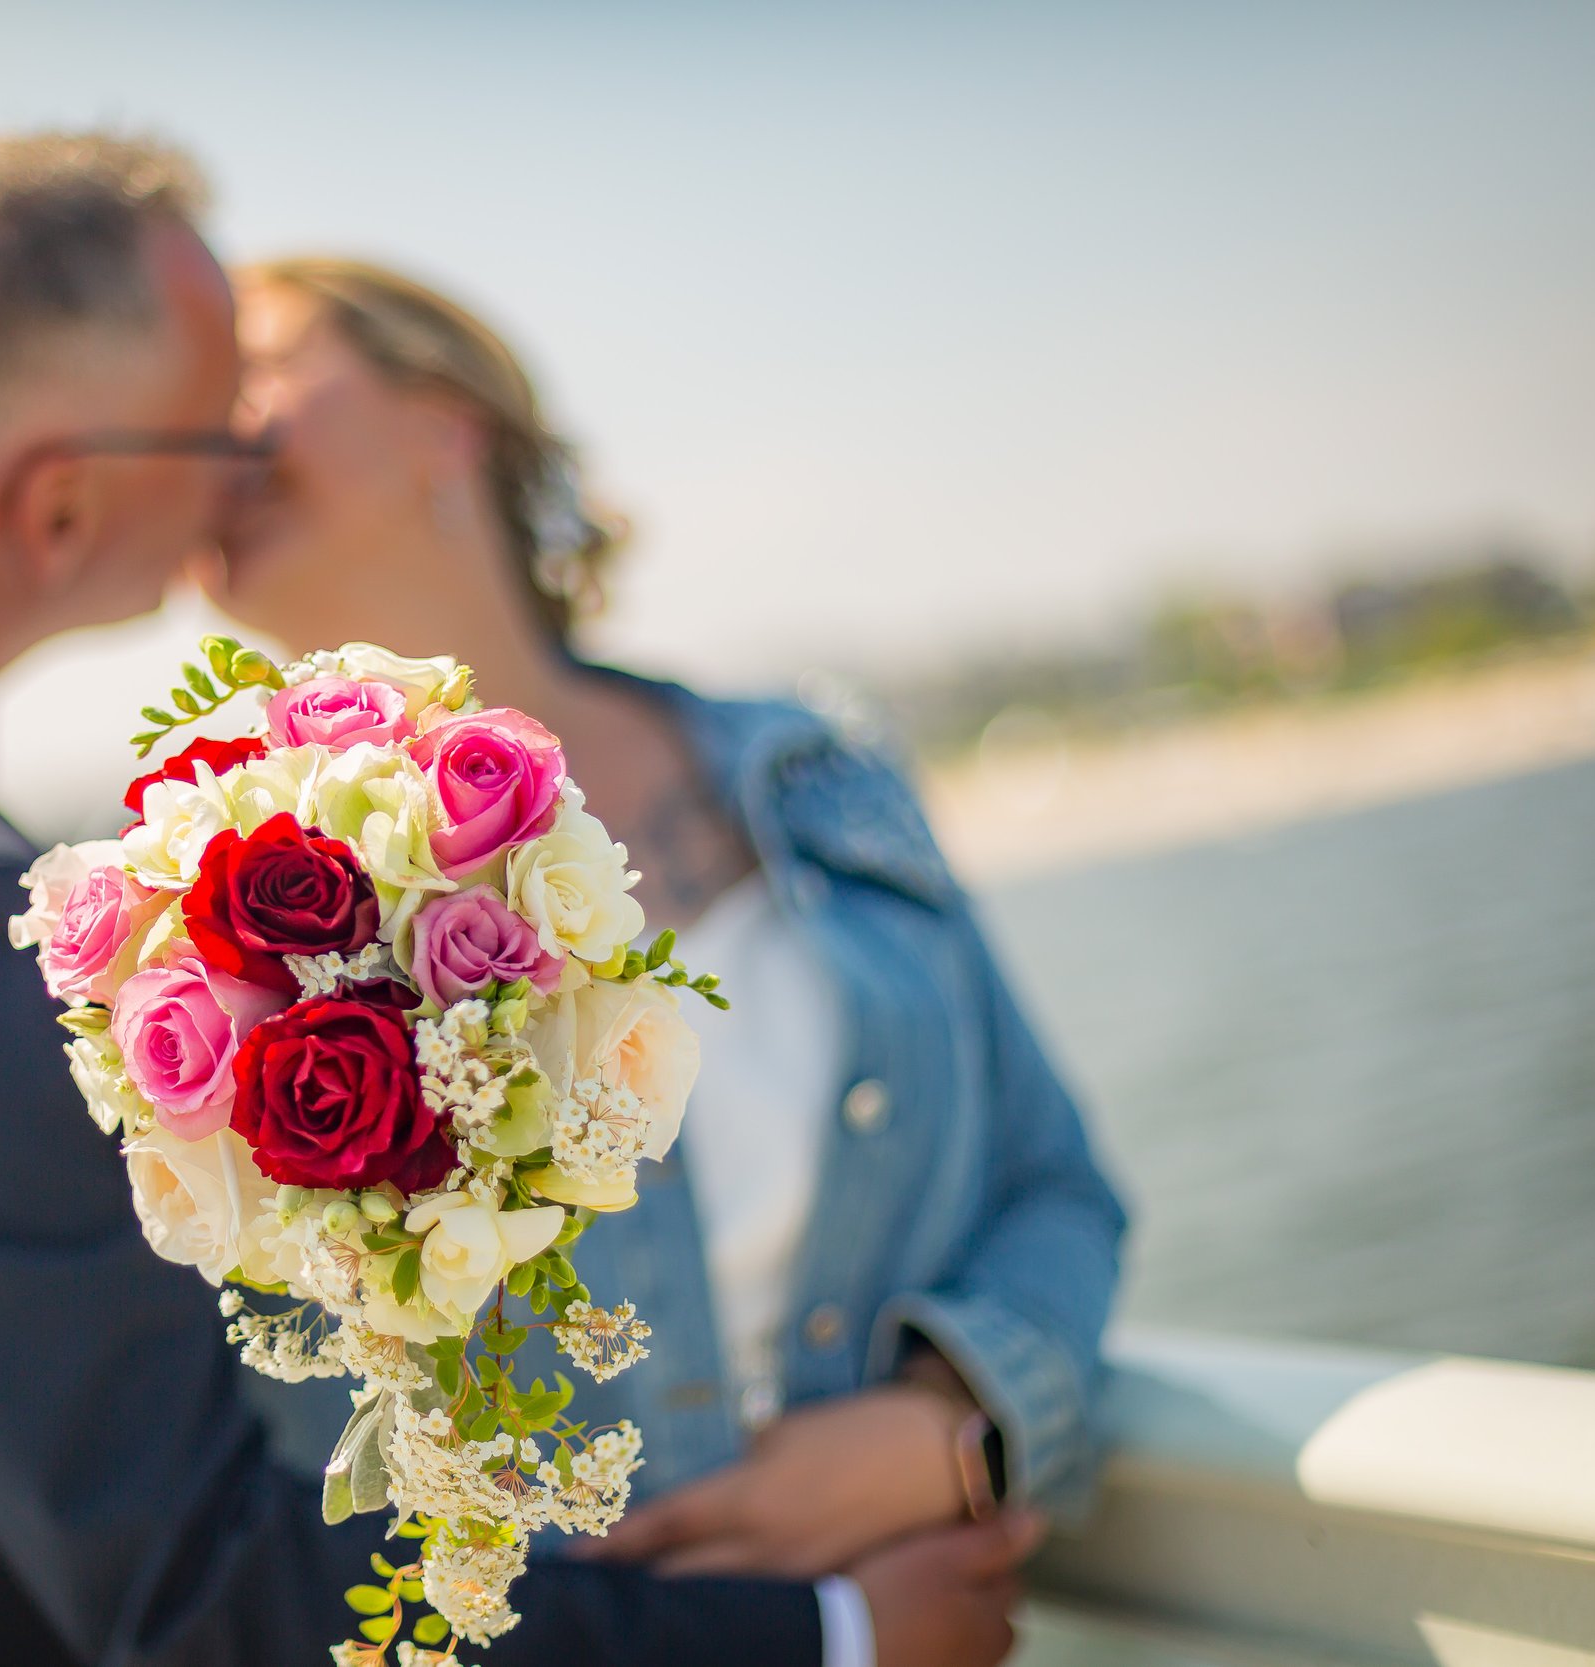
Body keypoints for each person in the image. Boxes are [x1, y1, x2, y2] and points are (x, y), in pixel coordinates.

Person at [0, 134, 1028, 1667]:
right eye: (211, 426)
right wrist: (827, 1645)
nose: (238, 467)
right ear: (59, 500)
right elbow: (202, 1591)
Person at [212, 258, 1126, 1634]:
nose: (199, 432)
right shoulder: (211, 936)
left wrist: (954, 1423)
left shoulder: (814, 772)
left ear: (441, 422)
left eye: (254, 366)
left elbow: (1056, 1185)